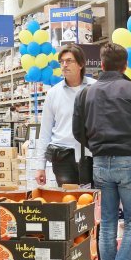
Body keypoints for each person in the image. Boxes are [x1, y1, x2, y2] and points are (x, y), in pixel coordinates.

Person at [73, 43, 131, 260]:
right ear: (125, 65)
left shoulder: (86, 93)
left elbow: (78, 131)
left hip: (100, 162)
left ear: (101, 64)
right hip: (129, 159)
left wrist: (96, 147)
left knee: (107, 222)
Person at [36, 44, 95, 186]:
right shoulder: (53, 93)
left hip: (90, 155)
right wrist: (40, 166)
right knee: (68, 201)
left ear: (81, 64)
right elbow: (45, 131)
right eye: (61, 62)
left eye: (69, 61)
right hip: (62, 158)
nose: (64, 65)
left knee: (92, 201)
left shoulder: (95, 88)